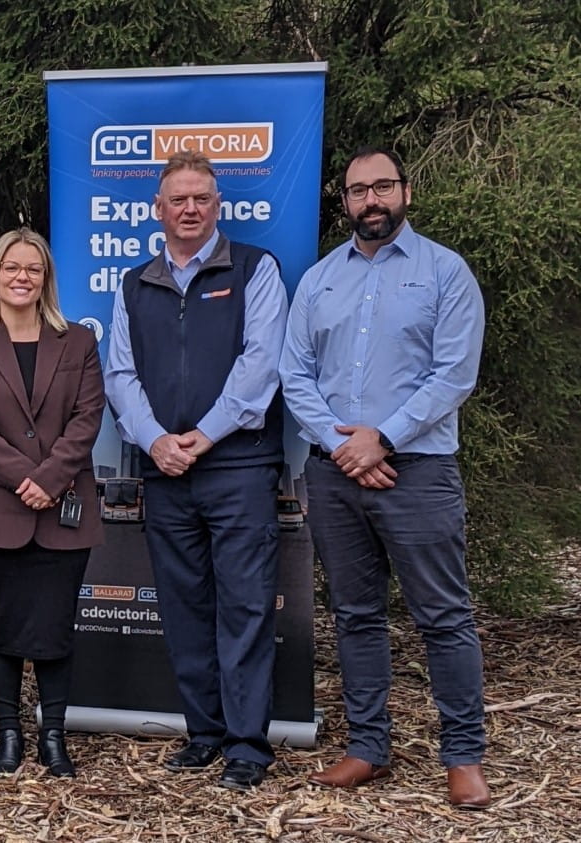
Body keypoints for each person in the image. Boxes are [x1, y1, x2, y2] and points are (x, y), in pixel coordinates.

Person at [281, 146, 489, 808]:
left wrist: (383, 438)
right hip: (335, 473)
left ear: (405, 192)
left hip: (418, 470)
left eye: (383, 187)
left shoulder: (446, 273)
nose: (371, 200)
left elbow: (455, 373)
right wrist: (343, 447)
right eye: (357, 190)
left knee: (444, 616)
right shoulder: (318, 281)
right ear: (343, 201)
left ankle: (463, 754)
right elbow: (295, 373)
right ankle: (368, 746)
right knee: (355, 613)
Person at [103, 151, 287, 790]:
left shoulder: (255, 270)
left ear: (218, 205)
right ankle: (204, 733)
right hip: (165, 472)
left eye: (201, 198)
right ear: (157, 209)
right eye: (177, 199)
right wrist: (156, 442)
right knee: (183, 608)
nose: (189, 209)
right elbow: (119, 375)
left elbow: (261, 365)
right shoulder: (135, 284)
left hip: (238, 466)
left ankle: (246, 747)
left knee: (244, 606)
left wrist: (202, 438)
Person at [0, 229, 104, 777]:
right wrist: (23, 479)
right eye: (11, 267)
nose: (22, 277)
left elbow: (87, 418)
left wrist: (52, 478)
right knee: (4, 627)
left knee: (57, 627)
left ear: (46, 279)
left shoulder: (78, 341)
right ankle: (9, 733)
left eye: (33, 269)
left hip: (64, 507)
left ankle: (53, 735)